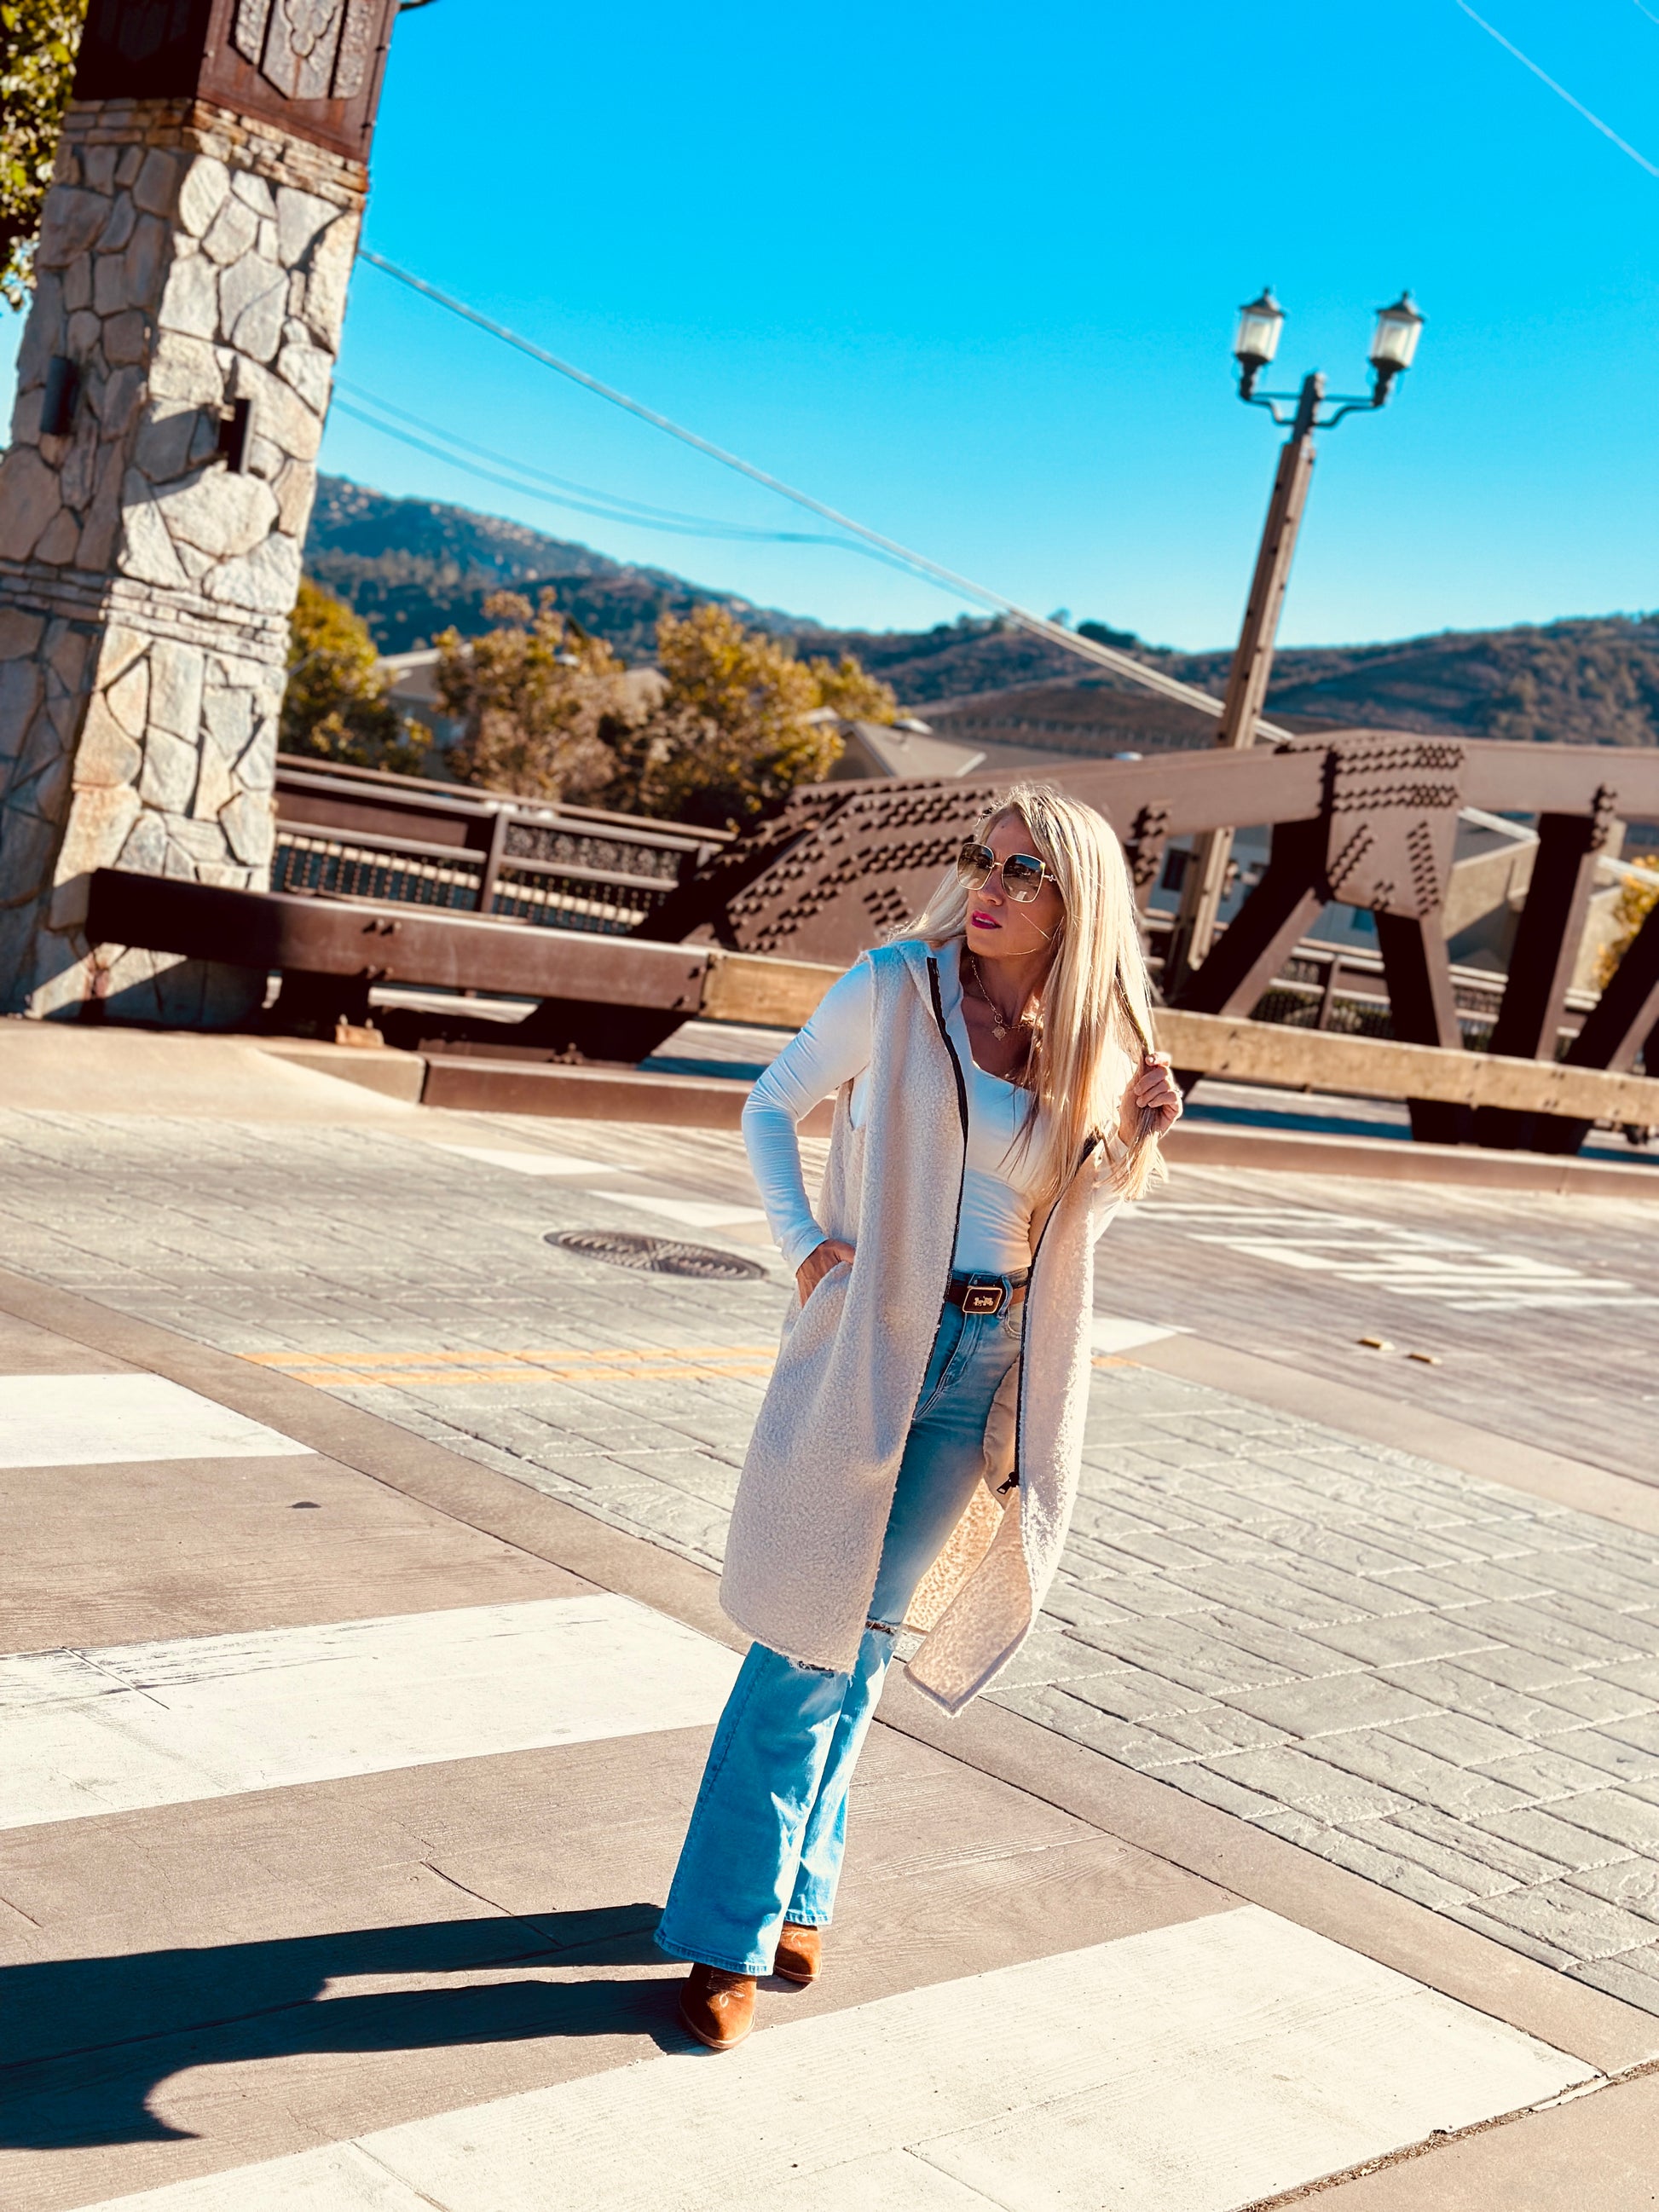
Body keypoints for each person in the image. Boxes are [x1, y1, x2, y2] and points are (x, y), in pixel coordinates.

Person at [656, 783, 1183, 2050]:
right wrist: (803, 1247)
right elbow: (768, 1102)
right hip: (870, 1342)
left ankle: (801, 1887)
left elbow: (1062, 1225)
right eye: (981, 861)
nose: (990, 886)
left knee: (871, 1635)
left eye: (1023, 873)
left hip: (988, 1353)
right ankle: (728, 1931)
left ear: (1077, 902)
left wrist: (1130, 1149)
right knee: (801, 1641)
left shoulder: (1091, 1048)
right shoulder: (897, 985)